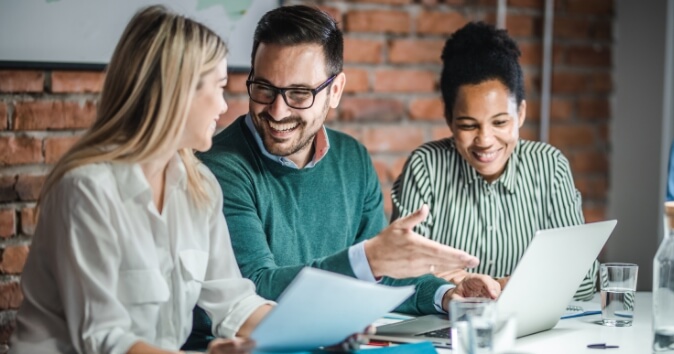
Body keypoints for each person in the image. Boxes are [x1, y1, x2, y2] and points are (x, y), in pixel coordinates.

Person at [184, 4, 500, 350]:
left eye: (299, 94)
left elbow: (379, 273)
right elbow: (253, 291)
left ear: (334, 91)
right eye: (263, 88)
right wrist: (367, 260)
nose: (277, 110)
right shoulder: (218, 166)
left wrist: (446, 294)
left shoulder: (352, 158)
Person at [8, 6, 276, 354]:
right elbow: (103, 339)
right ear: (177, 92)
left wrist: (321, 330)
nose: (224, 106)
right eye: (220, 87)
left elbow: (234, 301)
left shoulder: (201, 188)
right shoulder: (86, 190)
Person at [391, 21, 598, 300]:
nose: (485, 140)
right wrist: (451, 291)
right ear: (449, 119)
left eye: (500, 122)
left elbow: (584, 277)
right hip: (449, 329)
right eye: (468, 125)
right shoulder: (425, 166)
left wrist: (498, 285)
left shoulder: (550, 166)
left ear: (521, 113)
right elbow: (400, 273)